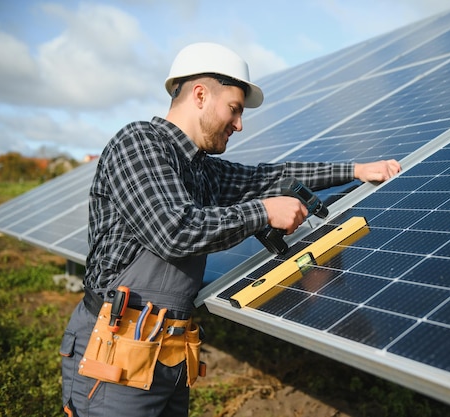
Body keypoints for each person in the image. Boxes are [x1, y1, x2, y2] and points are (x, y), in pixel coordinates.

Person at [60, 42, 401, 417]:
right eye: (234, 110)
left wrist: (355, 170)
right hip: (116, 355)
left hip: (169, 354)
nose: (239, 124)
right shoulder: (138, 143)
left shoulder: (202, 169)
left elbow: (270, 177)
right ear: (201, 95)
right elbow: (175, 231)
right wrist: (263, 212)